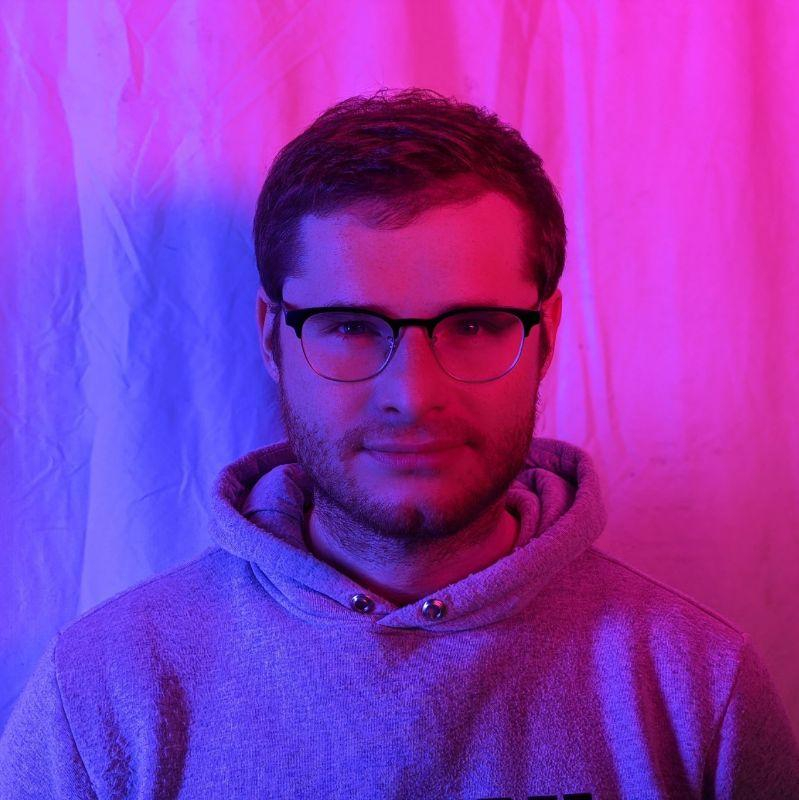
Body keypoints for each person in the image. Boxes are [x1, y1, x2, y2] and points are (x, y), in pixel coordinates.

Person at [1, 87, 797, 799]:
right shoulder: (103, 693)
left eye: (475, 326)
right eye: (351, 326)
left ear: (546, 334)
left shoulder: (699, 688)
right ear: (273, 337)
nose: (413, 396)